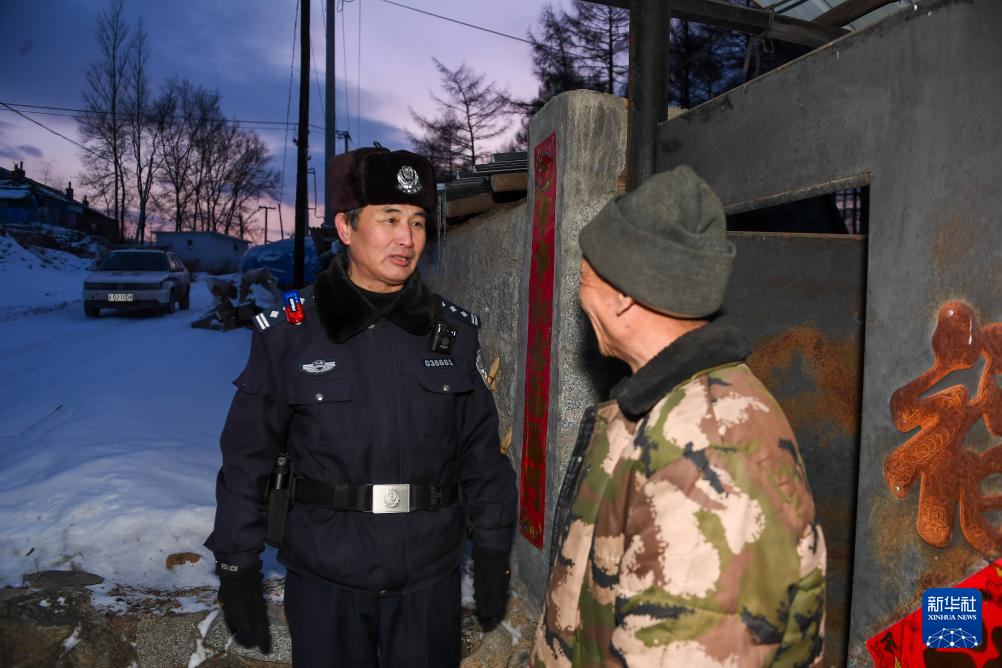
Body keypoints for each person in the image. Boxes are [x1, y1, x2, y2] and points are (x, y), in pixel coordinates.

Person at [206, 146, 517, 667]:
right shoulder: (290, 335)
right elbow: (247, 457)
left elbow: (480, 454)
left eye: (417, 222)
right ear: (345, 228)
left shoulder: (451, 333)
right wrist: (237, 566)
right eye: (389, 219)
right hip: (326, 581)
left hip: (429, 581)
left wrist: (491, 549)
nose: (407, 238)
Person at [531, 166, 827, 666]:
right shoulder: (660, 409)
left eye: (583, 280)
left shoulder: (713, 456)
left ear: (625, 293)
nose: (579, 298)